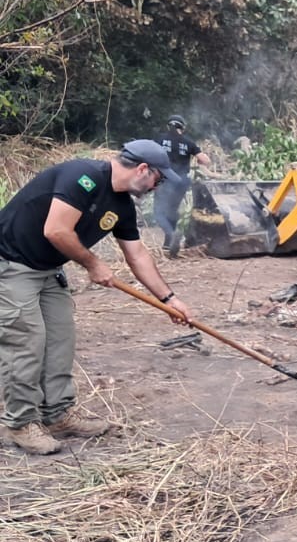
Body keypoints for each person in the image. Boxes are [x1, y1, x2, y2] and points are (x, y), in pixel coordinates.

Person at [0, 141, 194, 455]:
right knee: (26, 341)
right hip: (11, 263)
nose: (157, 187)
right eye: (159, 179)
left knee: (60, 338)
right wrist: (93, 264)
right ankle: (21, 423)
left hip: (47, 268)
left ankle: (57, 415)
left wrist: (169, 299)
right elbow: (56, 230)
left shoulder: (123, 207)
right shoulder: (83, 175)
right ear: (143, 169)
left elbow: (138, 255)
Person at [152, 115, 211, 258]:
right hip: (181, 181)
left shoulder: (159, 139)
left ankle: (171, 235)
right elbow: (205, 160)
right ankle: (168, 246)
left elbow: (149, 153)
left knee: (159, 212)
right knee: (172, 211)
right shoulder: (188, 142)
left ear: (168, 126)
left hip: (163, 180)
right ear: (182, 128)